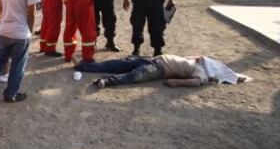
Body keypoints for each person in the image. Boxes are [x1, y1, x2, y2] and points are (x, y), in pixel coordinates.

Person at [75, 54, 251, 89]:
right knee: (114, 64)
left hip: (157, 68)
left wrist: (175, 83)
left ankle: (106, 82)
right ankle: (83, 66)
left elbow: (195, 82)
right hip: (151, 59)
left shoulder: (202, 74)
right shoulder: (193, 61)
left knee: (133, 76)